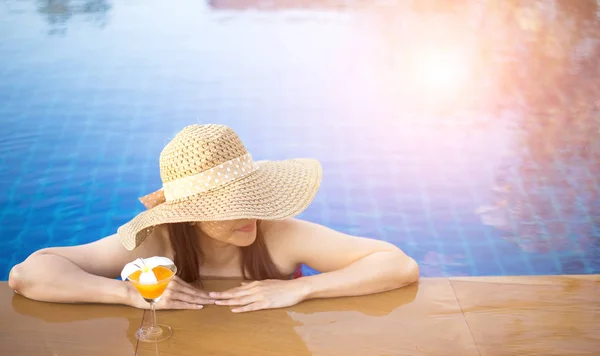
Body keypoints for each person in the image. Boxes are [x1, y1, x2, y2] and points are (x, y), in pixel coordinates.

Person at [8, 124, 419, 313]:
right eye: (229, 206)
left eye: (252, 199)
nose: (250, 215)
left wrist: (302, 289)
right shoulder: (158, 242)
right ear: (189, 216)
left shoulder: (279, 236)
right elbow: (30, 274)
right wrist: (130, 294)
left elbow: (398, 265)